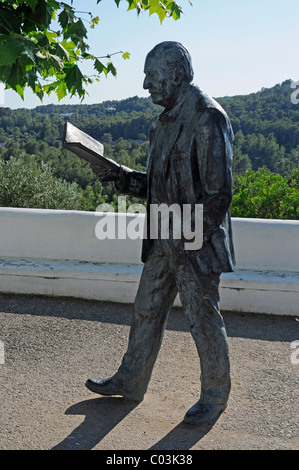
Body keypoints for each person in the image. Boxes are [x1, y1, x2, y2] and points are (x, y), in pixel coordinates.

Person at [86, 41, 235, 425]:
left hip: (192, 243)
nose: (145, 84)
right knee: (146, 310)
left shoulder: (207, 117)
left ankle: (215, 396)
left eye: (152, 77)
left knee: (203, 319)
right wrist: (119, 176)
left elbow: (218, 196)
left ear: (177, 75)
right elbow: (157, 185)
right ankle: (131, 381)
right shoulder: (164, 121)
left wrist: (189, 240)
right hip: (161, 237)